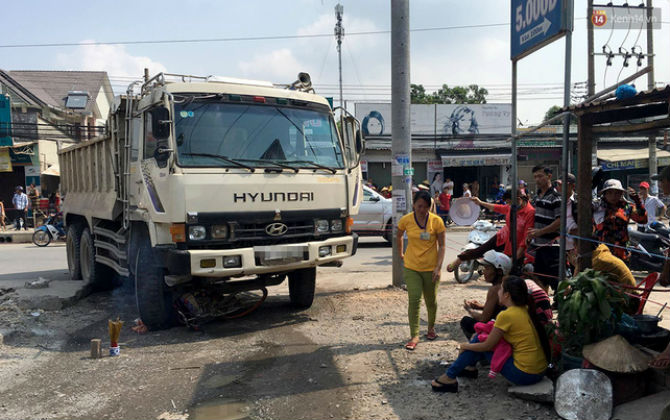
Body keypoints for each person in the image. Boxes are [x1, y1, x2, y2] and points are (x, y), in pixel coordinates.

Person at [431, 276, 550, 392]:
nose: (498, 292)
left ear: (507, 295)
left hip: (525, 375)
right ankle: (468, 367)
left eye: (501, 289)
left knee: (479, 340)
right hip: (539, 371)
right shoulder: (523, 308)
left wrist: (463, 346)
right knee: (480, 337)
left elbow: (487, 346)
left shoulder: (507, 315)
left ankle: (449, 376)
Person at [396, 191, 447, 350]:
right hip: (412, 267)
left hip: (431, 268)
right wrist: (400, 253)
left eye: (425, 206)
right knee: (414, 299)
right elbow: (398, 235)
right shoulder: (406, 220)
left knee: (431, 301)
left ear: (430, 206)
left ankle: (431, 328)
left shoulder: (437, 221)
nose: (422, 209)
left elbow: (442, 246)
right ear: (414, 205)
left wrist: (438, 268)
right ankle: (414, 335)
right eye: (419, 206)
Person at [446, 188, 534, 271]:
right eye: (508, 203)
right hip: (503, 237)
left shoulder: (530, 212)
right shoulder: (510, 207)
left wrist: (513, 260)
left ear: (518, 199)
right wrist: (480, 202)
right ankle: (460, 259)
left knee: (510, 271)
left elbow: (525, 240)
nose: (509, 205)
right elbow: (496, 207)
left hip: (517, 248)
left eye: (509, 203)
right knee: (481, 249)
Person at [459, 250, 510, 339]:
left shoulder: (495, 290)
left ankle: (478, 342)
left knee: (466, 321)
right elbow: (499, 309)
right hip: (506, 327)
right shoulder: (507, 283)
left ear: (499, 272)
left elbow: (483, 319)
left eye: (487, 268)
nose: (484, 272)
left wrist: (469, 310)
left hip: (500, 331)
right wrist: (481, 307)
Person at [525, 165, 562, 291]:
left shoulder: (555, 197)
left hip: (552, 247)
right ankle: (544, 306)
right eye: (535, 177)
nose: (537, 179)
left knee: (557, 282)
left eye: (540, 176)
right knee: (539, 279)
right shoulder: (538, 196)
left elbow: (560, 221)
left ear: (549, 176)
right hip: (539, 246)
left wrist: (540, 232)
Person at [593, 179, 647, 262]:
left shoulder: (627, 207)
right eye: (610, 193)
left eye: (617, 193)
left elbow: (642, 220)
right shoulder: (596, 207)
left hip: (622, 253)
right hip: (600, 252)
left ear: (621, 194)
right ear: (604, 194)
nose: (613, 196)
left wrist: (637, 201)